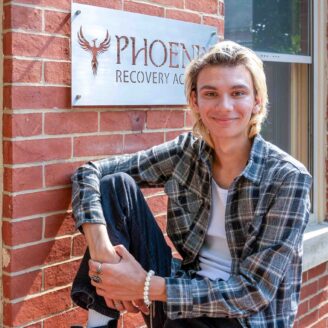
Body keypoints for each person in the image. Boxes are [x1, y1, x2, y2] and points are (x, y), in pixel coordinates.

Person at [71, 41, 312, 328]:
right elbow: (90, 172)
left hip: (244, 319)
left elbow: (253, 292)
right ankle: (99, 323)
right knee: (116, 186)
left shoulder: (287, 178)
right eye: (211, 94)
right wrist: (101, 247)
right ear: (195, 101)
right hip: (181, 292)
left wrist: (145, 286)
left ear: (257, 101)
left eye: (238, 93)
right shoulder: (188, 152)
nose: (224, 106)